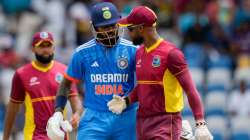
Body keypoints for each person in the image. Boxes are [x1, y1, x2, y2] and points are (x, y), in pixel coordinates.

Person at [107, 6, 213, 140]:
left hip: (166, 121)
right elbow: (144, 86)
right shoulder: (139, 52)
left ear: (141, 28)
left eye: (130, 29)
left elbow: (191, 90)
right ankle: (183, 134)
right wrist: (126, 101)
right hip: (142, 121)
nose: (128, 33)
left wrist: (200, 122)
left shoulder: (171, 54)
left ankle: (181, 132)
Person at [47, 2, 138, 140]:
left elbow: (148, 83)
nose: (110, 30)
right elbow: (66, 84)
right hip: (94, 118)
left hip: (127, 117)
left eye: (113, 25)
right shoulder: (82, 53)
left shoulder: (133, 50)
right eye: (105, 27)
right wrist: (58, 111)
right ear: (94, 28)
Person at [3, 31, 82, 140]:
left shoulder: (64, 71)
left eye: (48, 45)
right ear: (33, 49)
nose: (45, 50)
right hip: (35, 136)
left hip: (60, 136)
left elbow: (74, 98)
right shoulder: (21, 74)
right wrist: (6, 137)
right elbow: (13, 109)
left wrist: (77, 114)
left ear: (54, 47)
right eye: (41, 46)